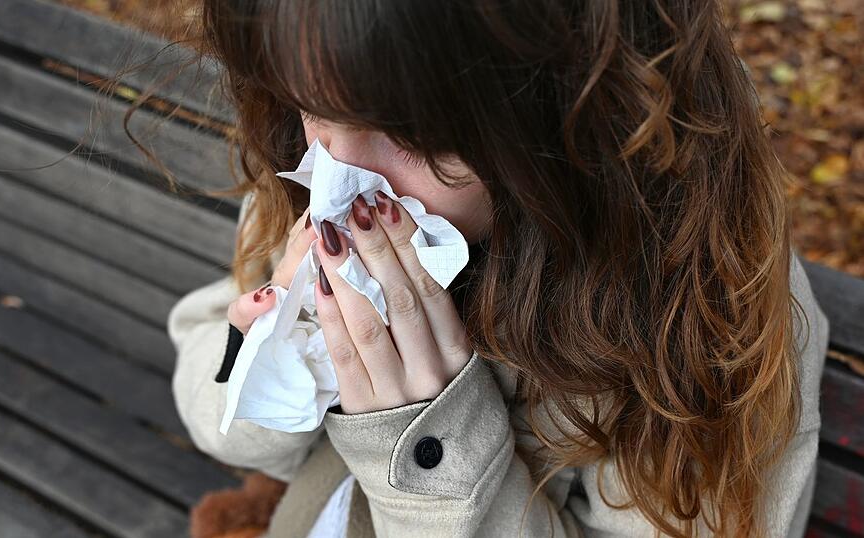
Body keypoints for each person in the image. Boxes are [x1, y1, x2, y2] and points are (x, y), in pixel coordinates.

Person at [166, 1, 831, 536]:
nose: (342, 177)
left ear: (573, 111)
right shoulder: (314, 185)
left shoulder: (702, 312)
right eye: (309, 105)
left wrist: (428, 447)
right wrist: (277, 354)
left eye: (417, 136)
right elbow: (221, 417)